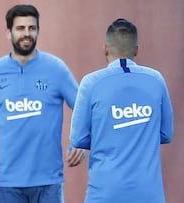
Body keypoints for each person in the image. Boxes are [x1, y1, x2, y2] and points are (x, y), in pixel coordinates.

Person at [0, 4, 85, 203]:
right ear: (9, 32)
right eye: (20, 28)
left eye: (32, 28)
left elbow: (83, 108)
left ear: (38, 30)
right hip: (9, 183)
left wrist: (79, 141)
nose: (27, 34)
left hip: (48, 182)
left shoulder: (56, 69)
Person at [69, 18, 174, 203]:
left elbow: (78, 139)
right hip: (149, 195)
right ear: (137, 49)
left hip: (104, 194)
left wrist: (110, 131)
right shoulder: (156, 80)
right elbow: (166, 134)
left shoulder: (91, 83)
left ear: (105, 48)